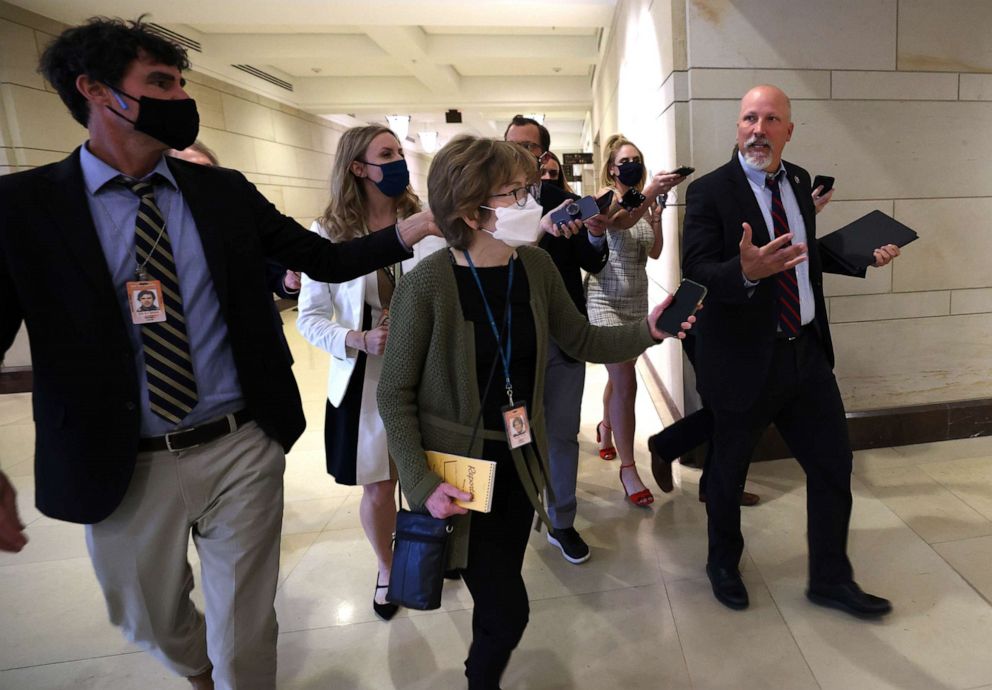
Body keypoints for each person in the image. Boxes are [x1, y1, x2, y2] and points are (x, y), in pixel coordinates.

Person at [0, 17, 436, 690]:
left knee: (247, 629)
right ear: (95, 91)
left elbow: (322, 258)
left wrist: (414, 228)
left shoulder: (222, 191)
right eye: (160, 83)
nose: (179, 97)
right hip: (119, 458)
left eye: (180, 82)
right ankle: (197, 673)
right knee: (147, 615)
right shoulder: (23, 208)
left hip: (239, 441)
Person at [377, 134, 693, 690]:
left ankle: (483, 671)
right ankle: (481, 679)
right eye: (515, 193)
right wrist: (422, 481)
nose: (533, 203)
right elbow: (394, 394)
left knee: (498, 591)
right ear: (473, 211)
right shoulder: (427, 282)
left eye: (528, 190)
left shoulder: (537, 268)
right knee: (508, 609)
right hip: (458, 474)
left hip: (521, 462)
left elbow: (583, 340)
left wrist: (650, 329)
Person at [682, 84, 898, 617]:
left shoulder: (798, 180)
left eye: (771, 119)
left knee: (832, 466)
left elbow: (801, 255)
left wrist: (859, 255)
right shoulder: (711, 191)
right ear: (738, 128)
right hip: (741, 359)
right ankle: (723, 563)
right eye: (749, 119)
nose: (759, 129)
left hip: (805, 352)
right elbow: (697, 271)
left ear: (788, 130)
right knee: (729, 473)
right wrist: (744, 272)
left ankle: (830, 578)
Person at [297, 124, 426, 622]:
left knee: (429, 471)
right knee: (379, 482)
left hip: (425, 369)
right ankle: (388, 568)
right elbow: (310, 317)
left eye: (399, 152)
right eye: (386, 153)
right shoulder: (328, 234)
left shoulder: (422, 221)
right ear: (357, 167)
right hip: (367, 376)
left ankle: (435, 548)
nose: (399, 161)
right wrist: (356, 339)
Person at [503, 115, 608, 564]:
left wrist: (598, 234)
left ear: (544, 155)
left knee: (563, 432)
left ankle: (561, 519)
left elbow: (592, 262)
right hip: (508, 339)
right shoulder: (488, 205)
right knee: (515, 432)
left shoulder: (565, 201)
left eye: (530, 147)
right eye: (513, 146)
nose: (522, 155)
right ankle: (519, 506)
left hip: (563, 335)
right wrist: (538, 230)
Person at [587, 134, 685, 506]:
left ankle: (606, 426)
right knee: (626, 381)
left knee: (620, 374)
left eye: (636, 159)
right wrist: (649, 197)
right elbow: (619, 223)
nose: (632, 165)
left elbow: (655, 251)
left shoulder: (643, 203)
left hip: (634, 300)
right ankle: (629, 468)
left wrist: (657, 217)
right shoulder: (608, 198)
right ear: (612, 168)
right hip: (604, 298)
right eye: (624, 160)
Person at [166, 141, 302, 299]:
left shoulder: (241, 216)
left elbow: (271, 272)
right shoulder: (165, 225)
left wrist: (287, 282)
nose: (200, 178)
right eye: (188, 169)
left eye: (207, 169)